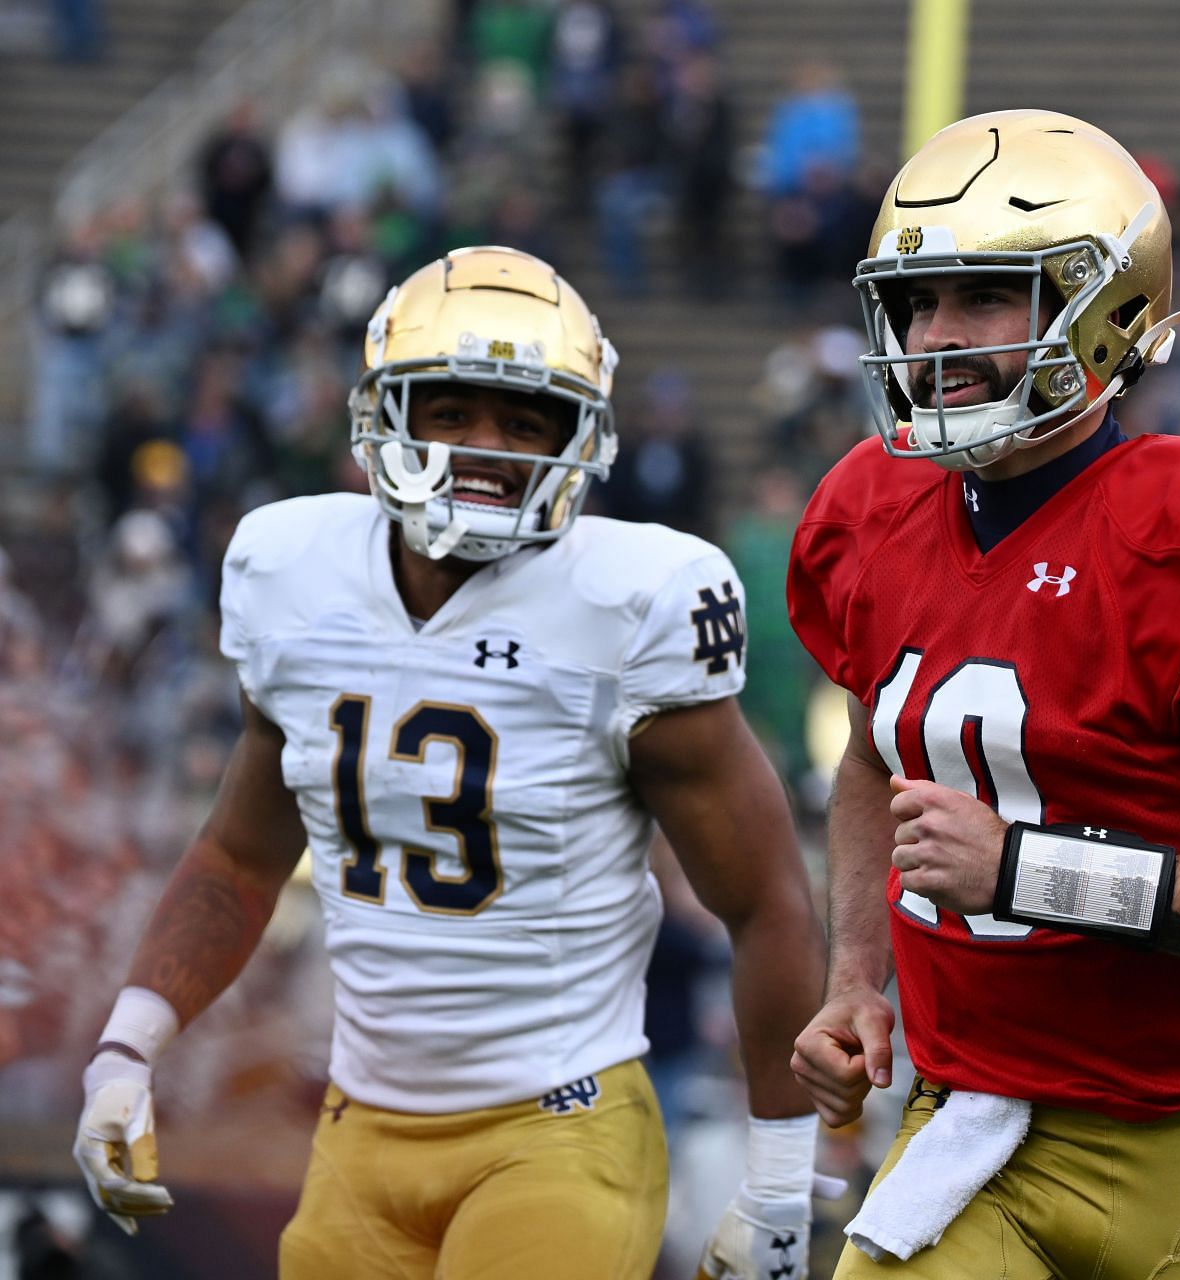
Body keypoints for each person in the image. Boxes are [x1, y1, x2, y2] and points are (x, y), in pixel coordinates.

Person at [71, 246, 834, 1280]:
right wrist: (127, 1045)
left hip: (558, 1131)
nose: (487, 448)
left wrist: (782, 1181)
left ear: (580, 441)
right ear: (385, 412)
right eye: (454, 411)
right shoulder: (291, 570)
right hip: (356, 1132)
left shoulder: (629, 602)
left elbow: (768, 900)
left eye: (526, 422)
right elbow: (240, 854)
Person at [786, 109, 1180, 1279]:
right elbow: (872, 755)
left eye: (982, 298)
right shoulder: (868, 505)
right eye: (918, 303)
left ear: (1101, 312)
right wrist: (856, 976)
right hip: (970, 1125)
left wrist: (1024, 869)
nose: (935, 337)